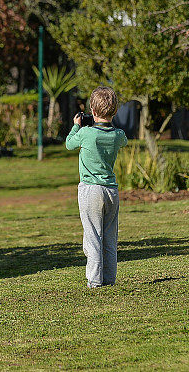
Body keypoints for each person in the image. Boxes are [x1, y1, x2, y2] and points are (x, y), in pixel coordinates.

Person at [65, 86, 128, 288]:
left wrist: (76, 126)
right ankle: (109, 279)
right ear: (115, 111)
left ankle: (94, 281)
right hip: (111, 190)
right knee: (110, 237)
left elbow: (69, 144)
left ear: (92, 111)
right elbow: (122, 138)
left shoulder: (85, 133)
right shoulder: (118, 135)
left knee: (92, 236)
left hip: (90, 190)